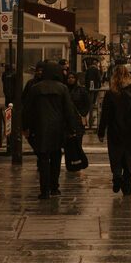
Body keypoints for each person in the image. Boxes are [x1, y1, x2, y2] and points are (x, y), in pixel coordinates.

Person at [22, 61, 79, 199]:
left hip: (40, 127)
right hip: (57, 128)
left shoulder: (36, 88)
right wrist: (72, 128)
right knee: (56, 157)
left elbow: (27, 110)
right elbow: (68, 110)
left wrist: (25, 127)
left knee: (43, 159)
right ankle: (54, 187)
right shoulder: (62, 88)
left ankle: (44, 190)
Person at [98, 64, 131, 196]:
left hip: (115, 130)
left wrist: (101, 131)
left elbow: (105, 115)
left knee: (115, 155)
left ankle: (116, 175)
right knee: (129, 156)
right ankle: (127, 182)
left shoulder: (111, 93)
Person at [66, 71, 90, 139]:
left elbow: (87, 103)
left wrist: (83, 114)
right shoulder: (64, 90)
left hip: (78, 119)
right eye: (69, 78)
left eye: (72, 77)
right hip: (68, 119)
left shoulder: (82, 90)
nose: (70, 79)